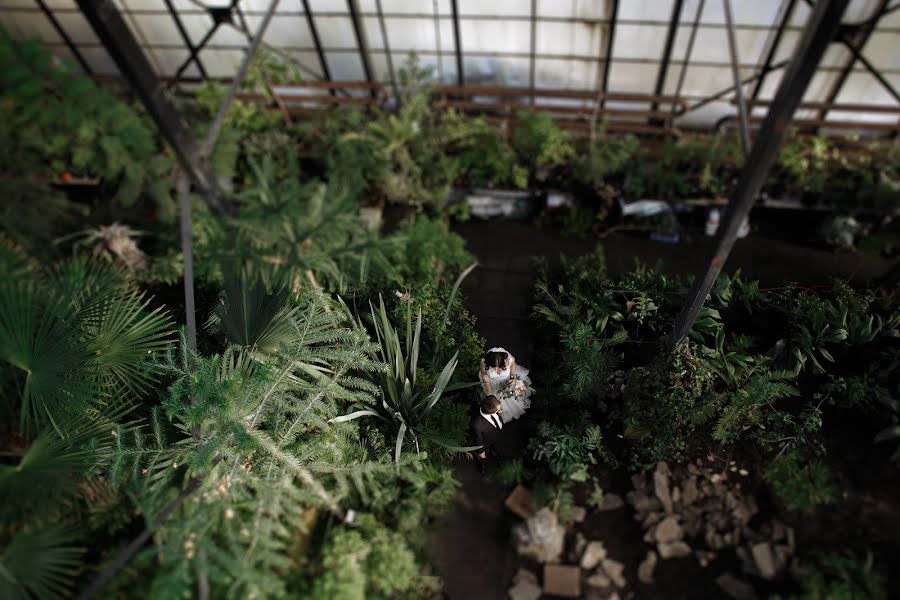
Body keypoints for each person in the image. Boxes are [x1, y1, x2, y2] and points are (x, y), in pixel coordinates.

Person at [479, 346, 533, 423]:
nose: (496, 369)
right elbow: (485, 376)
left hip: (506, 380)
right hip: (493, 383)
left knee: (512, 397)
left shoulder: (508, 359)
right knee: (495, 399)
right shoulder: (485, 362)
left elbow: (513, 365)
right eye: (494, 367)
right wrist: (490, 393)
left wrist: (512, 378)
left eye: (500, 367)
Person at [471, 395, 504, 474]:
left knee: (494, 446)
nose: (500, 410)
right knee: (483, 456)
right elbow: (478, 439)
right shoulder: (477, 425)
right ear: (491, 412)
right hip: (486, 442)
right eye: (498, 410)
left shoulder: (491, 402)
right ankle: (482, 465)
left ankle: (493, 450)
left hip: (495, 436)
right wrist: (481, 452)